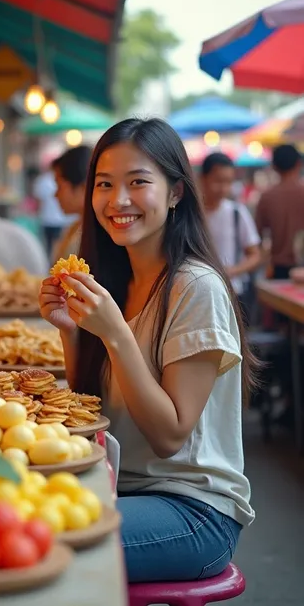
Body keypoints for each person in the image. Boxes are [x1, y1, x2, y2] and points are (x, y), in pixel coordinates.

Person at [39, 118, 255, 583]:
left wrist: (115, 334)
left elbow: (169, 435)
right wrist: (72, 333)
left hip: (193, 510)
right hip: (121, 484)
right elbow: (93, 408)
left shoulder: (195, 287)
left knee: (34, 543)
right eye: (104, 184)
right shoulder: (118, 278)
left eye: (138, 182)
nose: (118, 201)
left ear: (176, 191)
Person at [201, 153, 261, 315]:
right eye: (218, 181)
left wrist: (233, 271)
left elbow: (255, 255)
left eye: (228, 182)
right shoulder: (193, 214)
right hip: (200, 292)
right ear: (203, 178)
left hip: (233, 291)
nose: (223, 188)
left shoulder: (236, 212)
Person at [255, 144, 304, 279]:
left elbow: (257, 237)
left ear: (274, 166)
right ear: (298, 164)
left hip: (278, 269)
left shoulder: (266, 197)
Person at [51, 145, 91, 262]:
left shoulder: (93, 236)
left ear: (83, 188)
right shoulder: (76, 228)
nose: (56, 195)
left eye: (59, 186)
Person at [32, 168, 71, 257]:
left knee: (49, 246)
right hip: (59, 219)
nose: (55, 195)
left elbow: (38, 202)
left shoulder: (42, 180)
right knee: (59, 245)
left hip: (46, 219)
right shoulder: (61, 179)